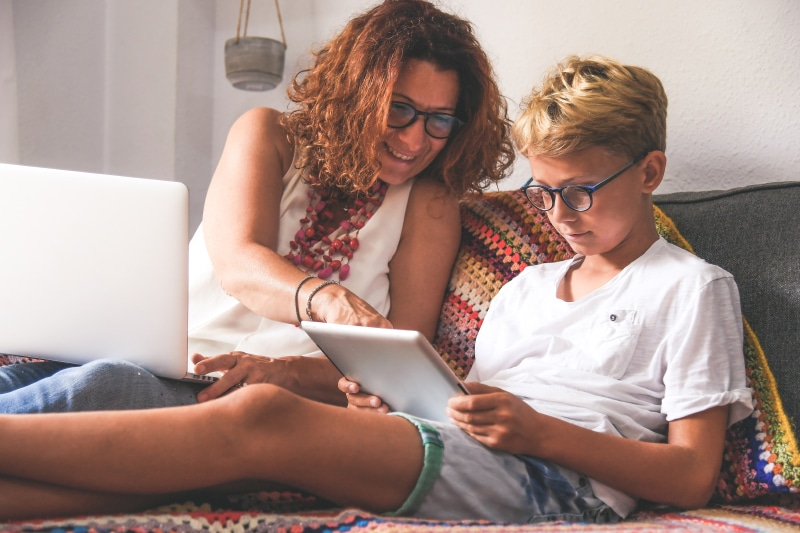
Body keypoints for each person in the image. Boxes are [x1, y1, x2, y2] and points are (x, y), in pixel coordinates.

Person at [0, 54, 752, 523]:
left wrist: (537, 432)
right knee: (232, 451)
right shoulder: (525, 286)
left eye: (580, 191)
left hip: (558, 483)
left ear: (649, 173)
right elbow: (463, 404)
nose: (558, 215)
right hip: (462, 447)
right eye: (543, 192)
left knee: (266, 413)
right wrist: (385, 400)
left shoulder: (693, 288)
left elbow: (691, 475)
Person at [0, 0, 514, 412]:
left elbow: (401, 364)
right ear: (360, 95)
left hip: (246, 392)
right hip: (156, 356)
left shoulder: (430, 203)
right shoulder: (268, 133)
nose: (415, 138)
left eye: (439, 120)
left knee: (100, 386)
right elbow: (239, 263)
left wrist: (284, 373)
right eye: (398, 110)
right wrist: (329, 299)